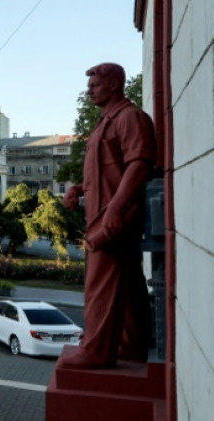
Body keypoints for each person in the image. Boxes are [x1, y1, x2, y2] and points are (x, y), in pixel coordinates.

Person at [59, 62, 155, 369]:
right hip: (106, 212)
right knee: (127, 284)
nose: (89, 90)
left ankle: (97, 350)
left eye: (94, 85)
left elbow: (139, 164)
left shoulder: (130, 117)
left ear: (114, 85)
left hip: (114, 217)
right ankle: (132, 344)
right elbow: (107, 171)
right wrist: (78, 189)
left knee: (100, 282)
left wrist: (115, 207)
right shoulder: (104, 123)